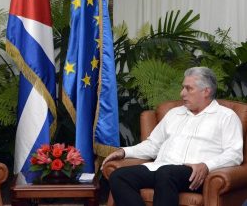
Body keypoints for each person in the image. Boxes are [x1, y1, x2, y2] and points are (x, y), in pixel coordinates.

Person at [102, 67, 243, 206]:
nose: (182, 93)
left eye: (189, 88)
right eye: (183, 88)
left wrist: (206, 166)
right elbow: (152, 145)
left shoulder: (226, 116)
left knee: (167, 172)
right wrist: (124, 151)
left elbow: (234, 154)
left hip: (195, 175)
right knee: (119, 176)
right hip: (161, 169)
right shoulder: (174, 113)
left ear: (206, 91)